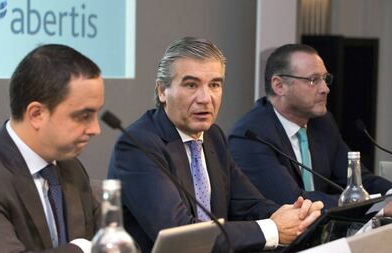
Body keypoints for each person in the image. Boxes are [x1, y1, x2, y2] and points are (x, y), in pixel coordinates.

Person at [107, 37, 323, 253]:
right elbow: (180, 236)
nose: (205, 98)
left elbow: (248, 205)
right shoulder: (138, 145)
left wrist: (295, 217)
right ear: (163, 91)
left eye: (214, 85)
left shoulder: (213, 136)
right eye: (191, 85)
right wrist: (273, 229)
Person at [228, 43, 392, 209]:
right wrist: (372, 204)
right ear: (279, 86)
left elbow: (360, 181)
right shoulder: (251, 136)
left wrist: (389, 194)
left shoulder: (322, 123)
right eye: (313, 80)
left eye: (325, 79)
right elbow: (295, 201)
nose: (325, 89)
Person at [0, 44, 104, 252]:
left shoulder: (70, 166)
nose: (95, 129)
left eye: (96, 114)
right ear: (37, 114)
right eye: (84, 116)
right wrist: (82, 249)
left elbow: (113, 240)